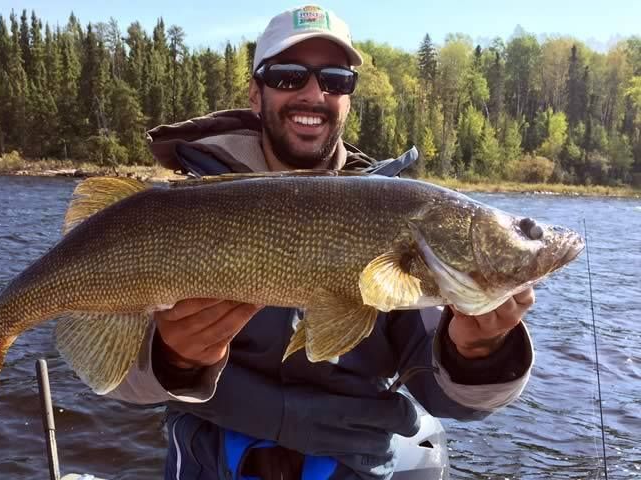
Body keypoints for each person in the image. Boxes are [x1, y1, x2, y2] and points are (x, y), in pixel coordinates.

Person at [107, 5, 534, 479]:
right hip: (212, 460)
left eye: (336, 79)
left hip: (353, 463)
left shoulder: (400, 216)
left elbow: (453, 398)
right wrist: (173, 359)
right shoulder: (183, 204)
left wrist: (478, 352)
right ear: (256, 92)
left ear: (349, 98)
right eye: (289, 76)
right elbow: (113, 374)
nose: (314, 94)